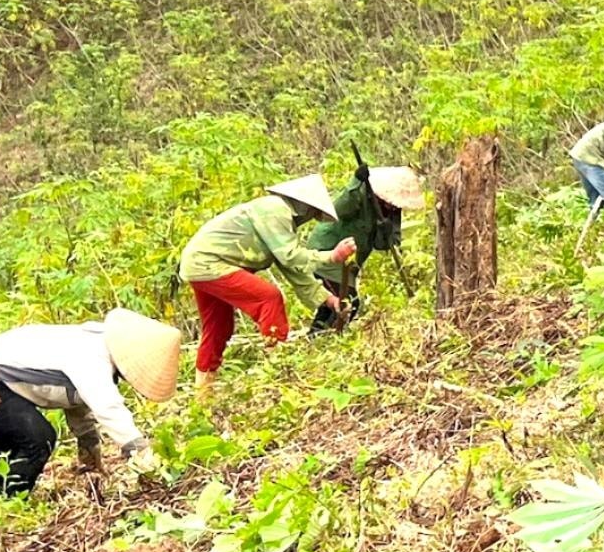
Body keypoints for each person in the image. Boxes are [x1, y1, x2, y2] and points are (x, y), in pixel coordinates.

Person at [179, 177, 359, 406]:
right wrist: (331, 256)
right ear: (303, 205)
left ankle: (202, 399)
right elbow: (291, 256)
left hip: (202, 264)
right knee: (269, 297)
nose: (310, 218)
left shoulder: (280, 220)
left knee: (219, 328)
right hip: (209, 263)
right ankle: (279, 371)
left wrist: (327, 299)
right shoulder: (275, 209)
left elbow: (291, 267)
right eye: (312, 212)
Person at [0, 308, 183, 495]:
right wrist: (141, 453)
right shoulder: (92, 355)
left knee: (10, 439)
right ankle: (10, 498)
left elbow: (76, 399)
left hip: (2, 374)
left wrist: (88, 447)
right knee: (39, 439)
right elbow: (108, 408)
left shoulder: (96, 343)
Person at [305, 163, 428, 334]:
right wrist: (355, 181)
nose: (392, 207)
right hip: (328, 252)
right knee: (347, 302)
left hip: (349, 264)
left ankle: (318, 338)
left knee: (334, 305)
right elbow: (339, 209)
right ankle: (326, 337)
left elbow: (385, 243)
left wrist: (387, 232)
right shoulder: (361, 194)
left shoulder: (393, 212)